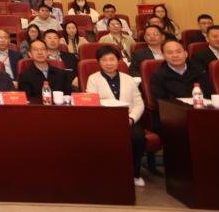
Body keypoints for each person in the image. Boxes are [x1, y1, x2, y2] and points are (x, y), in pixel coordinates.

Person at [85, 46, 147, 186]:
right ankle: (107, 173)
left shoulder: (129, 79)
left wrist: (131, 119)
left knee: (137, 137)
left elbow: (139, 103)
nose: (108, 63)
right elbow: (92, 102)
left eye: (112, 59)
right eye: (104, 60)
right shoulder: (93, 79)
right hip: (104, 121)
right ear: (99, 62)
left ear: (118, 61)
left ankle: (135, 174)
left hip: (128, 120)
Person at [149, 39, 211, 103]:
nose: (175, 55)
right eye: (170, 53)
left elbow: (209, 94)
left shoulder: (199, 70)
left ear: (186, 54)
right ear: (163, 56)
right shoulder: (157, 76)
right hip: (174, 108)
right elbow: (161, 102)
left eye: (178, 52)